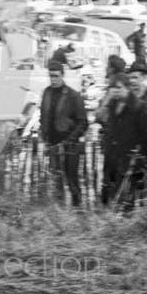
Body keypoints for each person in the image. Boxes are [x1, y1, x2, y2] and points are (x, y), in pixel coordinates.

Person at [95, 73, 147, 206]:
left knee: (126, 195)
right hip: (112, 155)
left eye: (118, 87)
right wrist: (107, 100)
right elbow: (98, 117)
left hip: (129, 156)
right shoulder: (112, 105)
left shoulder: (139, 106)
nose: (114, 90)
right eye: (112, 87)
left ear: (127, 88)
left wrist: (140, 156)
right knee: (108, 190)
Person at [39, 61, 88, 207]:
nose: (53, 79)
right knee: (56, 181)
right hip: (53, 145)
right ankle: (60, 215)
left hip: (70, 145)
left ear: (62, 75)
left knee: (72, 180)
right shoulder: (47, 93)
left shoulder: (73, 96)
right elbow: (43, 116)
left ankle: (78, 211)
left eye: (56, 76)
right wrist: (44, 135)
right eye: (51, 76)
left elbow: (83, 122)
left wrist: (70, 140)